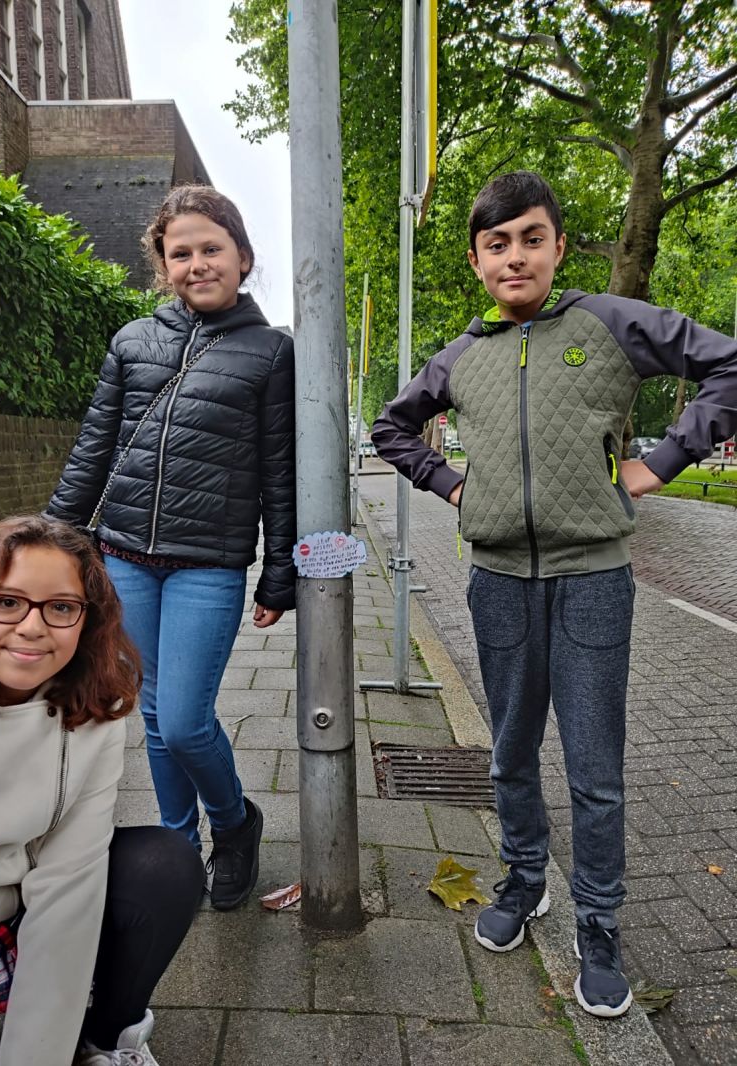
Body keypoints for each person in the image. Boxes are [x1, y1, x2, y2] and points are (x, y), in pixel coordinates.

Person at [371, 171, 737, 1018]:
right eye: (497, 244)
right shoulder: (463, 354)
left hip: (594, 582)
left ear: (559, 246)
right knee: (508, 754)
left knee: (596, 768)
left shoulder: (608, 323)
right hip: (496, 581)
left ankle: (599, 928)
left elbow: (727, 365)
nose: (515, 257)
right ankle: (525, 880)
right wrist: (456, 488)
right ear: (475, 260)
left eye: (531, 238)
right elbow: (393, 426)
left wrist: (662, 463)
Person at [46, 185, 296, 911]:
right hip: (123, 555)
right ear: (163, 264)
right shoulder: (133, 342)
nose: (196, 263)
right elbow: (94, 450)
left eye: (210, 248)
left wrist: (277, 573)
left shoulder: (270, 351)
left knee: (185, 718)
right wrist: (51, 540)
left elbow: (279, 471)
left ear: (242, 258)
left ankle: (235, 822)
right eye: (179, 252)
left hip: (208, 564)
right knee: (152, 716)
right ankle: (178, 850)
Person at [0, 515, 204, 1066]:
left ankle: (104, 1041)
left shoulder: (93, 713)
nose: (34, 627)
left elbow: (69, 889)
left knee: (165, 863)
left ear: (88, 620)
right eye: (7, 602)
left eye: (60, 607)